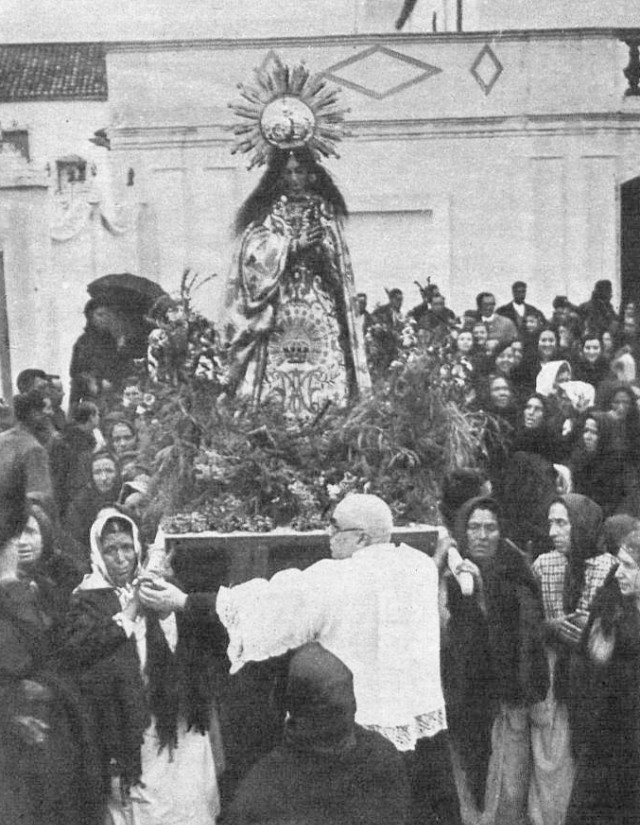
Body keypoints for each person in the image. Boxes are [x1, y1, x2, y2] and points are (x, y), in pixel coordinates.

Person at [139, 493, 462, 825]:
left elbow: (266, 605)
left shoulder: (334, 578)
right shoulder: (418, 567)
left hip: (349, 736)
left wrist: (185, 602)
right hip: (421, 735)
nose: (328, 534)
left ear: (361, 537)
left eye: (335, 527)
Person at [57, 509, 221, 825]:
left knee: (184, 799)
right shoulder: (86, 599)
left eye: (126, 548)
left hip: (174, 718)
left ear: (137, 548)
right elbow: (85, 655)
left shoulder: (158, 585)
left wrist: (164, 613)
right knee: (143, 805)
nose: (120, 558)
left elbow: (191, 647)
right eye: (110, 550)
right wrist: (131, 610)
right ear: (97, 553)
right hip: (129, 727)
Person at [223, 147, 370, 415]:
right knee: (278, 366)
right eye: (287, 172)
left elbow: (339, 260)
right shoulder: (268, 212)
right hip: (280, 301)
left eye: (299, 171)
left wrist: (321, 255)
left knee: (322, 363)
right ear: (278, 176)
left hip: (319, 302)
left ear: (311, 174)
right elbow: (251, 254)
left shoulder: (324, 211)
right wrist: (291, 246)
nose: (293, 178)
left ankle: (328, 418)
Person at [0, 479, 102, 825]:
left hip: (60, 724)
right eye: (13, 537)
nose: (21, 544)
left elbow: (67, 651)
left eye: (29, 532)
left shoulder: (63, 585)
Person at [442, 495, 548, 825]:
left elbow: (525, 638)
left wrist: (484, 591)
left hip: (504, 703)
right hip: (464, 699)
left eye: (491, 527)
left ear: (501, 532)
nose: (482, 536)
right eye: (474, 527)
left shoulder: (515, 570)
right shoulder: (451, 573)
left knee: (508, 793)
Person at [224, 642, 410, 825]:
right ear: (302, 710)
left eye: (347, 699)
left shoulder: (379, 759)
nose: (346, 711)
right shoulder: (264, 789)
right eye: (332, 708)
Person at [528, 494, 614, 825]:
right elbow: (527, 621)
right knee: (548, 759)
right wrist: (549, 627)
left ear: (582, 525)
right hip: (552, 677)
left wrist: (592, 632)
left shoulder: (610, 568)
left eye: (562, 523)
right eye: (550, 522)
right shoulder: (543, 565)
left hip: (593, 680)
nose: (553, 531)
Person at [566, 527, 640, 824]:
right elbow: (587, 666)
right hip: (609, 739)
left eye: (630, 566)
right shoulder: (610, 606)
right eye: (619, 563)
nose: (619, 573)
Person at [69, 298, 136, 411]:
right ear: (90, 317)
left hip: (115, 396)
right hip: (93, 399)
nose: (104, 319)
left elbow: (121, 368)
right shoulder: (84, 342)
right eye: (99, 315)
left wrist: (121, 349)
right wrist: (98, 384)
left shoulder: (112, 340)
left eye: (107, 315)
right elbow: (76, 372)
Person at [63, 450, 122, 568]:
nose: (104, 478)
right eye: (97, 472)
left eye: (109, 471)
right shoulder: (79, 506)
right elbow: (75, 544)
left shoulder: (127, 497)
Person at [0, 390, 54, 512]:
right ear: (34, 413)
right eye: (43, 412)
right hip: (19, 521)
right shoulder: (34, 450)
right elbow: (40, 498)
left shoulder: (2, 439)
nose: (49, 415)